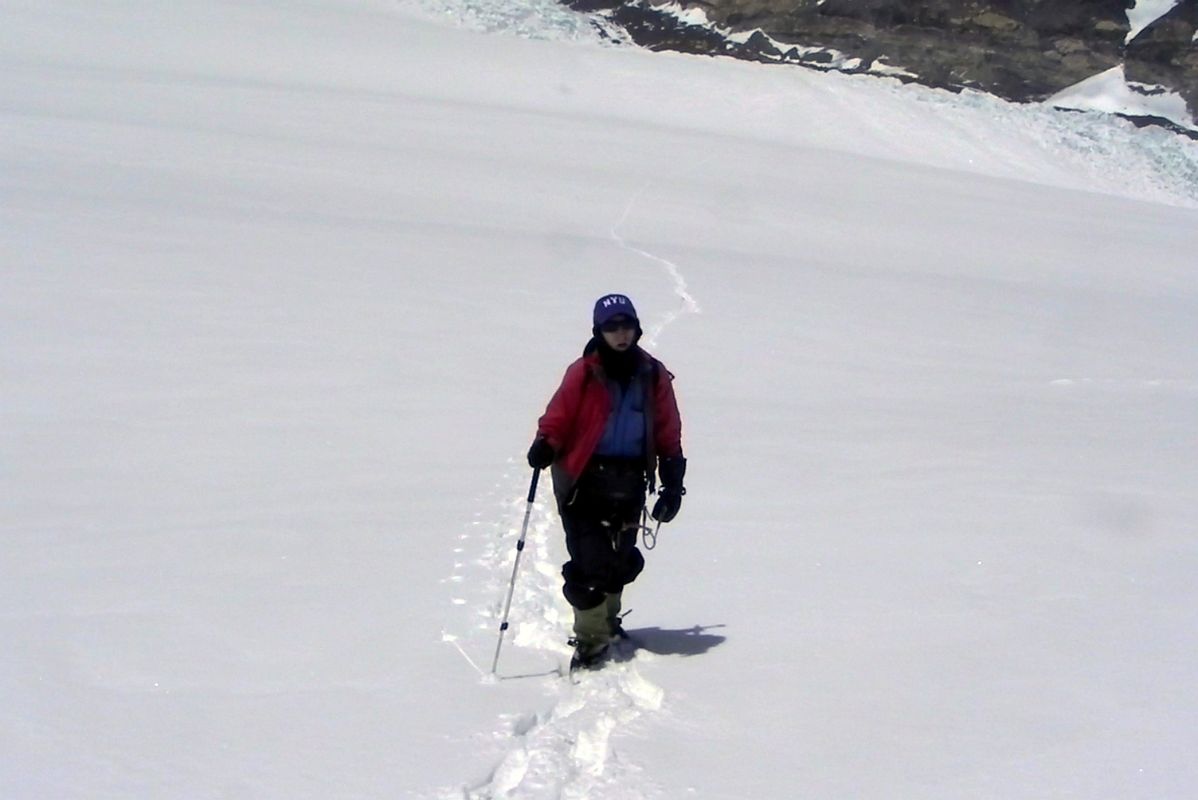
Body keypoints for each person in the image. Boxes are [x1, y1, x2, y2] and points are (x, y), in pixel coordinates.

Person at [527, 293, 686, 669]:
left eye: (626, 325)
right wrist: (545, 444)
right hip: (582, 478)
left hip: (630, 479)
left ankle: (608, 622)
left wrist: (672, 481)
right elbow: (558, 416)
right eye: (611, 327)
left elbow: (668, 430)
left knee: (619, 559)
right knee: (589, 565)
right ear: (598, 331)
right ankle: (591, 639)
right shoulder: (583, 372)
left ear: (637, 328)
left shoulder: (653, 374)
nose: (620, 334)